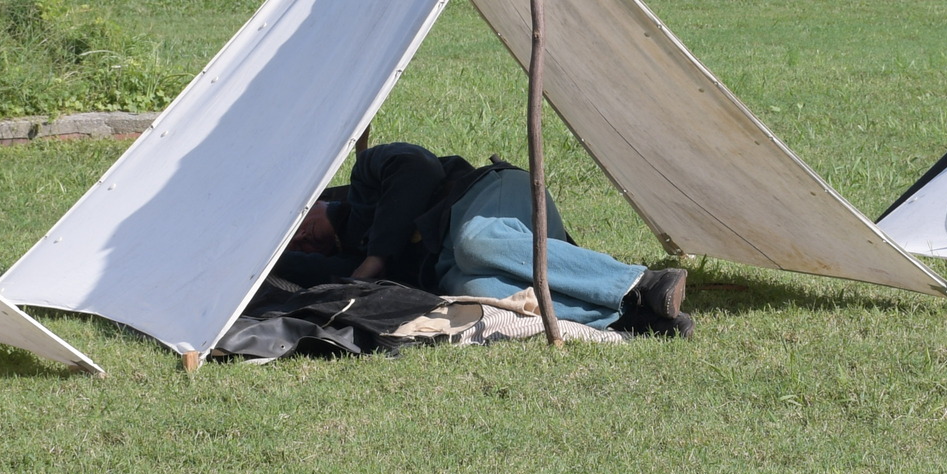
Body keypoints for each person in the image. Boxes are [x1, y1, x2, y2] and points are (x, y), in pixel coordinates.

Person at [280, 140, 691, 335]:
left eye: (294, 224)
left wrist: (377, 257)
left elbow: (418, 169)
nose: (301, 238)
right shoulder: (343, 261)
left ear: (311, 200)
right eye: (295, 243)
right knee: (481, 290)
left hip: (489, 196)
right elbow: (292, 269)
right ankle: (630, 315)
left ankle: (641, 281)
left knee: (477, 241)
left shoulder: (364, 179)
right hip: (454, 260)